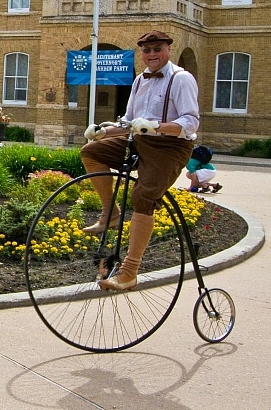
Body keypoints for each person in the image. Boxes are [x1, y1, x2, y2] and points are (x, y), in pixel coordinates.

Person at [81, 30, 199, 291]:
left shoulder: (181, 79)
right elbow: (128, 122)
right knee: (91, 151)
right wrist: (103, 131)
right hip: (138, 140)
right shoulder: (139, 81)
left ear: (168, 50)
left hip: (170, 147)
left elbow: (190, 122)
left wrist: (157, 126)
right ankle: (110, 213)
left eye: (158, 49)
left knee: (143, 197)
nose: (152, 54)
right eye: (147, 50)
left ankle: (129, 272)